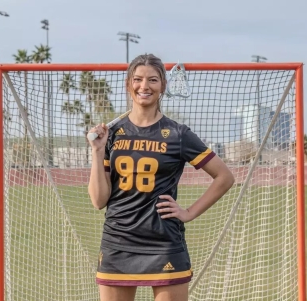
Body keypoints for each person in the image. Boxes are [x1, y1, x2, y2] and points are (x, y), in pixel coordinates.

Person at [87, 53, 235, 301]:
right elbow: (98, 200)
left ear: (163, 86)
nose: (144, 86)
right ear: (128, 84)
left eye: (153, 80)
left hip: (164, 243)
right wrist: (97, 150)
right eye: (138, 79)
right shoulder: (111, 135)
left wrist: (189, 212)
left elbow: (225, 177)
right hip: (118, 242)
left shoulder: (178, 134)